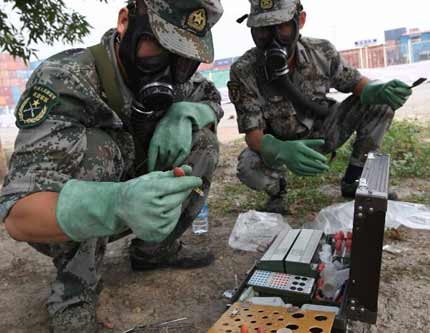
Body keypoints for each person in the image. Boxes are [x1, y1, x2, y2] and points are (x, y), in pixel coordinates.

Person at [0, 0, 224, 331]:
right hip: (73, 212)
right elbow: (19, 216)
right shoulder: (66, 79)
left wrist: (189, 113)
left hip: (141, 193)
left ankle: (154, 250)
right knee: (98, 150)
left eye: (186, 58)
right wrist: (115, 203)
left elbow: (212, 100)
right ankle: (74, 290)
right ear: (125, 23)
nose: (171, 70)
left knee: (203, 141)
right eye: (161, 47)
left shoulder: (180, 79)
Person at [228, 0, 412, 213]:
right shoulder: (244, 70)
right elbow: (253, 136)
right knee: (247, 166)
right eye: (262, 30)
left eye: (282, 27)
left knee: (380, 103)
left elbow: (357, 84)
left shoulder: (321, 51)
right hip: (281, 146)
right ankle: (278, 191)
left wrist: (376, 90)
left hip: (324, 132)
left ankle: (356, 178)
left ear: (301, 21)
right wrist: (280, 150)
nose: (272, 39)